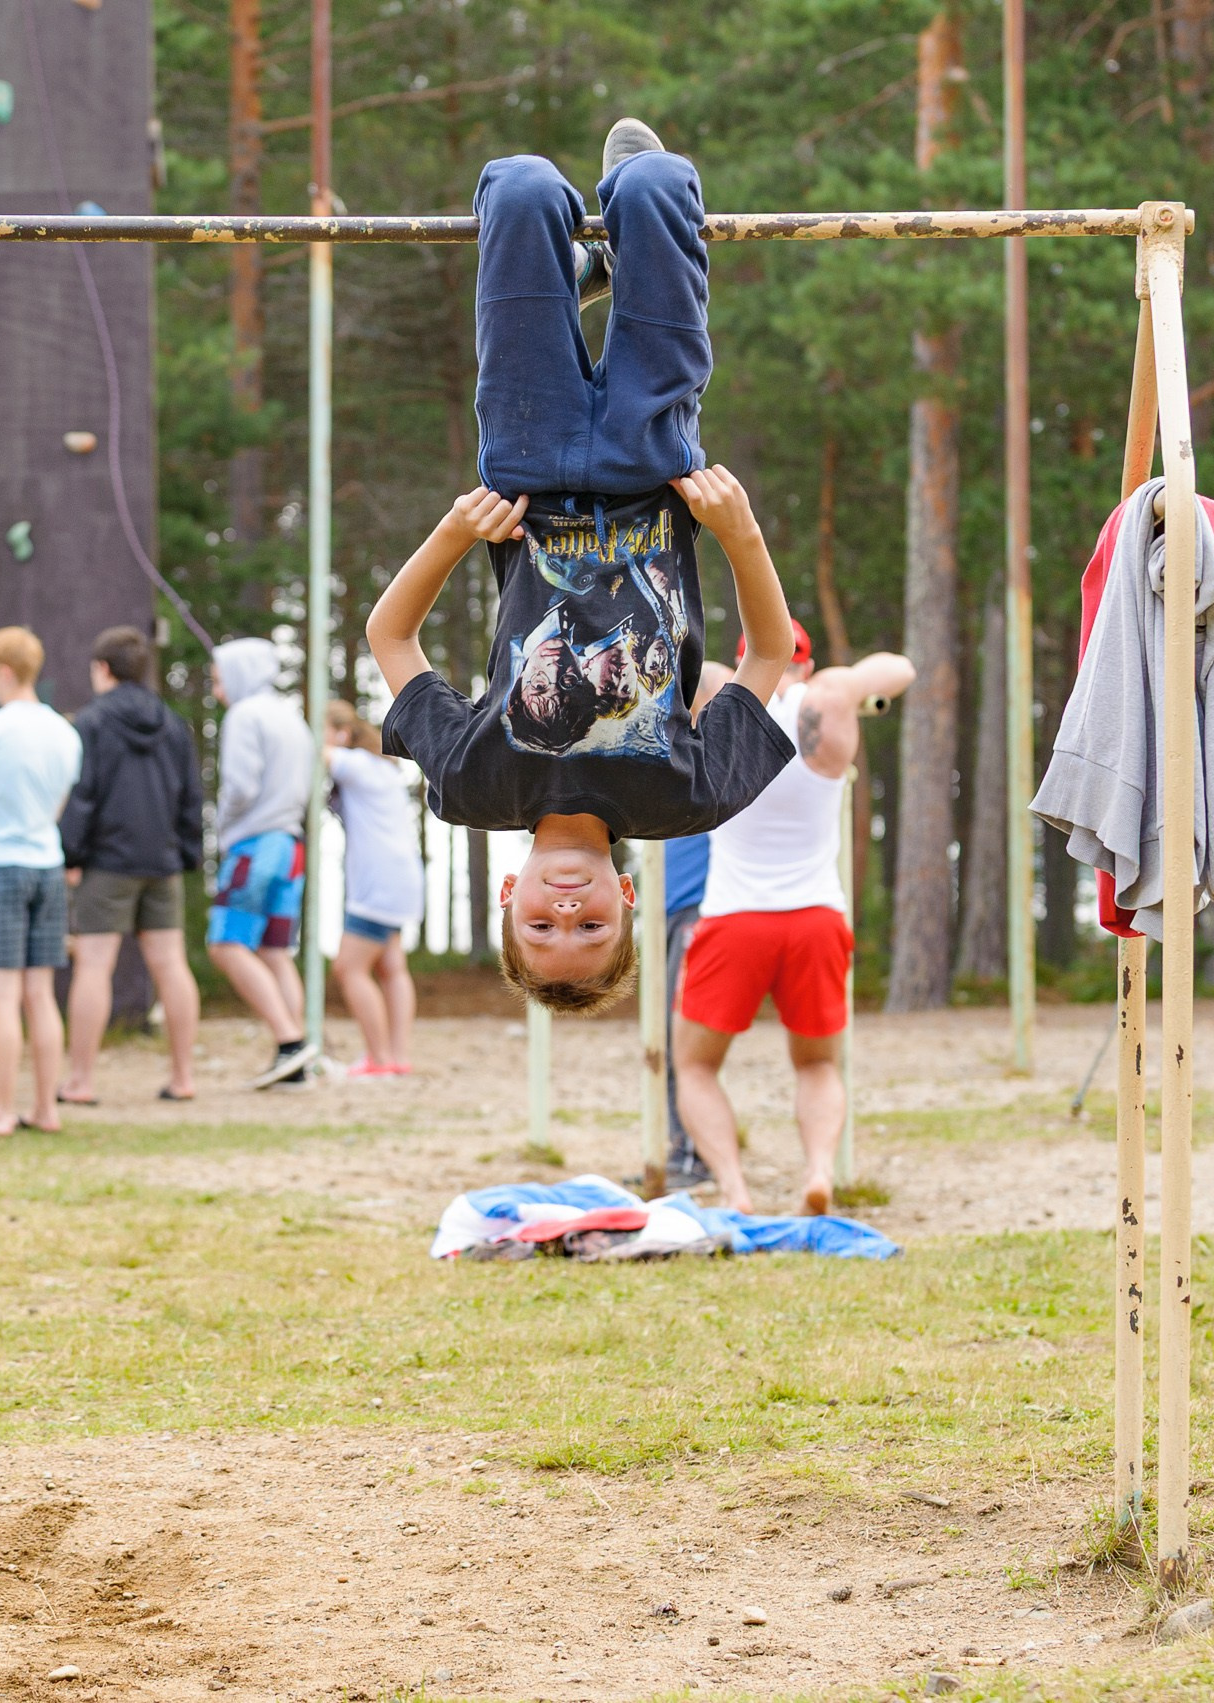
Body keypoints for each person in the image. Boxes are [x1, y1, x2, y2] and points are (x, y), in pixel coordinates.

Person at [365, 121, 798, 1015]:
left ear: (507, 897)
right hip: (654, 471)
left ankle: (572, 281)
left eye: (541, 926)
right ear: (628, 898)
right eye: (591, 928)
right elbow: (767, 659)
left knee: (520, 187)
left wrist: (453, 532)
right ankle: (619, 255)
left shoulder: (471, 784)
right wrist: (740, 531)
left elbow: (390, 639)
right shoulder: (688, 799)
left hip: (528, 470)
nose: (567, 912)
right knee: (656, 186)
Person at [673, 624, 913, 1214]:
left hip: (734, 919)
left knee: (695, 1066)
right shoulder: (827, 700)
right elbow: (900, 668)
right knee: (818, 1064)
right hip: (814, 917)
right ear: (804, 664)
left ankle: (734, 1189)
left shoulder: (722, 698)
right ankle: (818, 1174)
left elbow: (681, 665)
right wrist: (844, 683)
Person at [58, 625, 204, 1105]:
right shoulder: (173, 724)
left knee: (94, 965)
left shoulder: (90, 723)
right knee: (171, 964)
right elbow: (191, 797)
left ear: (102, 669)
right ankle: (183, 1078)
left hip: (106, 862)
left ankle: (81, 1082)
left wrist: (71, 854)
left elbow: (82, 795)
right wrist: (186, 854)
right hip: (162, 861)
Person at [0, 625, 82, 1134]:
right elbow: (57, 808)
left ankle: (0, 1109)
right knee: (41, 993)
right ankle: (46, 1108)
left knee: (3, 993)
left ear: (5, 672)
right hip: (48, 866)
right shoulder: (65, 733)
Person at [207, 636, 316, 1088]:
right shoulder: (292, 717)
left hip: (254, 846)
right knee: (274, 951)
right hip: (291, 846)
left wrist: (219, 824)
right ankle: (297, 1058)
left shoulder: (244, 715)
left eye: (219, 680)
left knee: (226, 945)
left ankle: (290, 1042)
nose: (217, 690)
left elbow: (240, 786)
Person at [657, 658, 735, 1192]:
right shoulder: (675, 751)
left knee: (680, 1042)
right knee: (670, 1041)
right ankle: (683, 1147)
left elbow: (717, 681)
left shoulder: (714, 752)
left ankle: (692, 1154)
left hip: (698, 910)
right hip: (673, 908)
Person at [322, 703, 421, 1077]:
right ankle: (396, 1056)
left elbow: (318, 753)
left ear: (343, 734)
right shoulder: (383, 768)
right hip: (401, 878)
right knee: (392, 967)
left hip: (377, 882)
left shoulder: (358, 765)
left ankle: (378, 1058)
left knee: (349, 968)